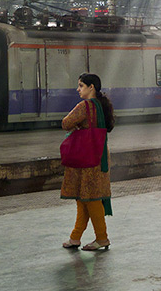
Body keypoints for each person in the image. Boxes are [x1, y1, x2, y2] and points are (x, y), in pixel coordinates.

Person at [61, 73, 114, 251]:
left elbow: (66, 123)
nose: (78, 89)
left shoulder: (84, 106)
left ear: (91, 87)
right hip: (99, 155)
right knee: (84, 198)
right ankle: (75, 237)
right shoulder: (102, 105)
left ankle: (102, 237)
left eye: (81, 85)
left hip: (87, 157)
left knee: (91, 199)